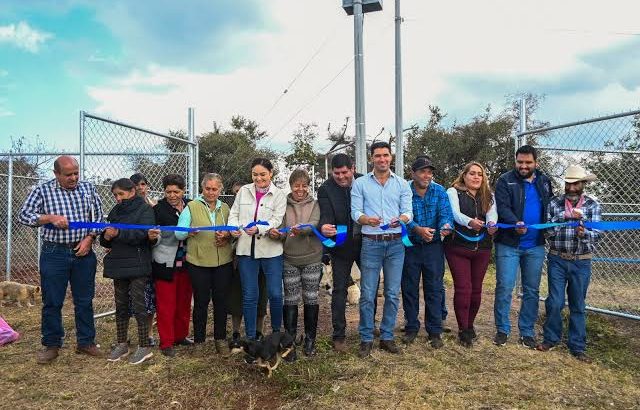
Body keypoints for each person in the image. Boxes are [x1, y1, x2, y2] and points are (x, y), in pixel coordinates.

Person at [18, 155, 104, 364]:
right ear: (56, 174)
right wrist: (49, 218)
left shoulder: (88, 189)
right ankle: (52, 344)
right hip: (53, 253)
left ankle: (86, 342)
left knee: (84, 300)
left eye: (76, 173)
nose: (73, 178)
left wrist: (89, 238)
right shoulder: (42, 190)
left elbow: (99, 218)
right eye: (68, 175)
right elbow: (24, 215)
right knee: (52, 301)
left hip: (83, 253)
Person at [351, 142, 413, 358]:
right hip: (371, 242)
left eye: (385, 155)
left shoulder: (402, 184)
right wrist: (366, 219)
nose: (382, 159)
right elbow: (355, 211)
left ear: (391, 157)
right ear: (371, 159)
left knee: (392, 293)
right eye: (377, 156)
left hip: (396, 243)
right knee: (368, 294)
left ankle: (387, 336)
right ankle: (366, 337)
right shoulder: (360, 184)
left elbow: (408, 211)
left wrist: (402, 219)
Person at [537, 165, 601, 363]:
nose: (571, 188)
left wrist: (584, 234)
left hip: (581, 261)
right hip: (557, 258)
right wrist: (564, 217)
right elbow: (546, 232)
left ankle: (577, 346)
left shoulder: (592, 205)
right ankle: (551, 339)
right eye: (568, 183)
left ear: (583, 184)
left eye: (575, 184)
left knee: (578, 305)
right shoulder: (554, 203)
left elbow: (597, 235)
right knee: (554, 302)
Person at [493, 145, 553, 348]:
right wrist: (515, 222)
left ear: (536, 162)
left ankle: (526, 331)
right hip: (509, 244)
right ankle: (502, 329)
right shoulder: (505, 180)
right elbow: (502, 207)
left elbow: (549, 206)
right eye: (520, 162)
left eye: (528, 162)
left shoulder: (544, 181)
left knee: (531, 290)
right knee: (505, 287)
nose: (524, 166)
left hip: (535, 245)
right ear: (515, 161)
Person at [175, 173, 233, 354]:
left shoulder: (225, 208)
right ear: (202, 188)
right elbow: (178, 233)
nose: (210, 192)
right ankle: (199, 340)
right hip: (198, 263)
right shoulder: (191, 207)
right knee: (201, 302)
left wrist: (227, 236)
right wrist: (188, 232)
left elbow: (232, 230)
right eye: (207, 188)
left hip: (223, 262)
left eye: (214, 189)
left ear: (220, 190)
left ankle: (220, 339)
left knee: (221, 302)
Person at [229, 158, 287, 340]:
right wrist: (235, 229)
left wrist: (260, 228)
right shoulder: (244, 191)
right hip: (246, 250)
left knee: (276, 294)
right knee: (249, 295)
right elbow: (233, 215)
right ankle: (251, 337)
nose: (259, 178)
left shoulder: (279, 195)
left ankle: (277, 333)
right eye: (255, 174)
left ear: (271, 173)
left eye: (263, 174)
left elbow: (277, 219)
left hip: (271, 251)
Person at [100, 178, 156, 365]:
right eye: (115, 195)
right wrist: (106, 237)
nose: (117, 198)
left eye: (120, 194)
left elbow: (144, 234)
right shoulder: (115, 211)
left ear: (132, 191)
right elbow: (106, 238)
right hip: (118, 264)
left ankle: (144, 345)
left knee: (140, 306)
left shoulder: (145, 209)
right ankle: (122, 343)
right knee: (121, 304)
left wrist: (119, 234)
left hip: (138, 263)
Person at [401, 156, 453, 348]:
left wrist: (445, 226)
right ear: (413, 173)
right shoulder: (404, 190)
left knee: (434, 288)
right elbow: (401, 214)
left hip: (433, 247)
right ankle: (412, 327)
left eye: (429, 171)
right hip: (410, 246)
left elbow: (446, 214)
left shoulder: (439, 191)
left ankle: (434, 330)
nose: (427, 175)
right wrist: (417, 229)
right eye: (422, 171)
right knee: (409, 287)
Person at [444, 162, 498, 347]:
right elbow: (455, 214)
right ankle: (462, 329)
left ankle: (470, 325)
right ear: (464, 175)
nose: (476, 177)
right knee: (463, 289)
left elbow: (492, 214)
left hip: (482, 248)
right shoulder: (453, 192)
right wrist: (470, 222)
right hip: (458, 247)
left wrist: (491, 225)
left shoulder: (488, 195)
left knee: (476, 290)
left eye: (479, 175)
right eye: (472, 174)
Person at [270, 169, 322, 359]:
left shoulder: (315, 204)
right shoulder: (283, 204)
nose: (300, 189)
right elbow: (281, 228)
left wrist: (302, 229)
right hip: (289, 258)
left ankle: (310, 339)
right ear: (290, 186)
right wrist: (277, 233)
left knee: (311, 298)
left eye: (304, 185)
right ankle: (289, 342)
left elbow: (315, 223)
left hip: (312, 257)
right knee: (290, 299)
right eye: (296, 185)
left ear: (308, 186)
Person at [318, 153, 363, 352]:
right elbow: (325, 215)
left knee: (371, 288)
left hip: (365, 243)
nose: (341, 177)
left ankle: (368, 327)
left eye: (345, 172)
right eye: (336, 173)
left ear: (352, 169)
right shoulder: (325, 188)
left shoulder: (364, 181)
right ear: (331, 172)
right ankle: (339, 335)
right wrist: (324, 227)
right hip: (341, 245)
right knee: (339, 291)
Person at [147, 174, 193, 358]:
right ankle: (166, 341)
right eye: (168, 192)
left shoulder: (191, 206)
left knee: (184, 301)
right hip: (166, 262)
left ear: (184, 191)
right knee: (166, 305)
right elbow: (155, 235)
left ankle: (181, 335)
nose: (172, 195)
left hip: (188, 262)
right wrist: (153, 238)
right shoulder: (158, 209)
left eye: (177, 191)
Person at [227, 182, 269, 344]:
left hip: (263, 256)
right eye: (236, 192)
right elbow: (228, 231)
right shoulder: (233, 211)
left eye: (241, 191)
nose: (239, 194)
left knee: (261, 295)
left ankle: (259, 331)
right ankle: (236, 332)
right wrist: (231, 233)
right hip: (240, 258)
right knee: (237, 297)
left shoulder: (264, 206)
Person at [129, 173, 157, 345]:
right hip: (133, 256)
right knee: (135, 297)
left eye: (143, 184)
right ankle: (137, 332)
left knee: (150, 297)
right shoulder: (127, 206)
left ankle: (149, 332)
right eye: (136, 185)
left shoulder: (153, 206)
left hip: (151, 256)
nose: (140, 187)